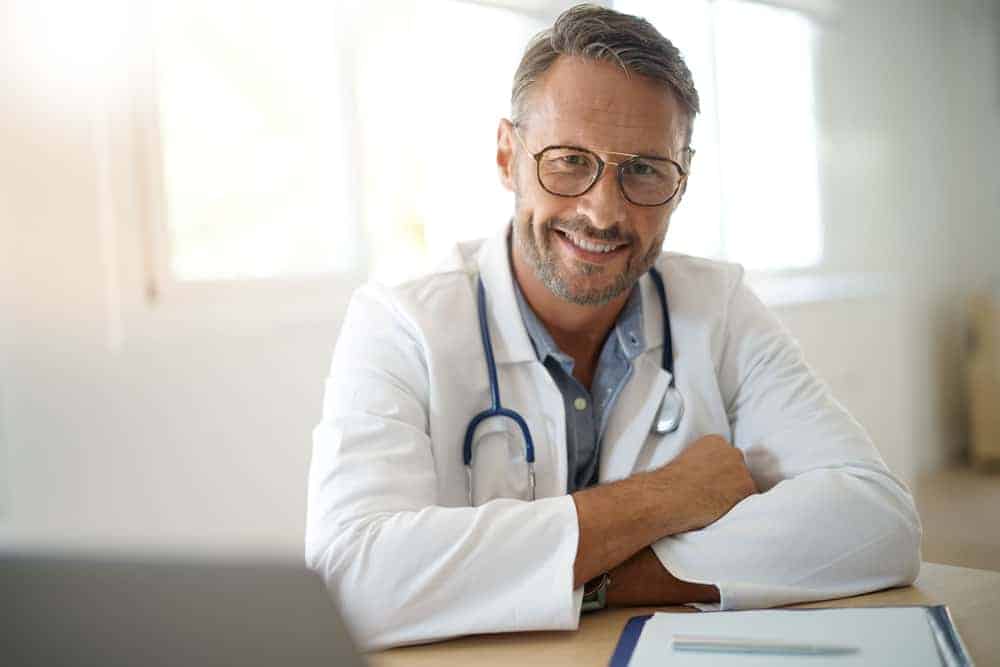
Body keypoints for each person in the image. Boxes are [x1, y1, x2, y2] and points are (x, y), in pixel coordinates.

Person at [305, 3, 921, 651]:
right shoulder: (401, 324)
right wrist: (663, 497)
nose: (603, 211)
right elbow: (351, 579)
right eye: (569, 160)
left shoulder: (719, 307)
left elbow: (879, 520)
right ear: (506, 155)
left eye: (644, 170)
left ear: (681, 181)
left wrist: (601, 575)